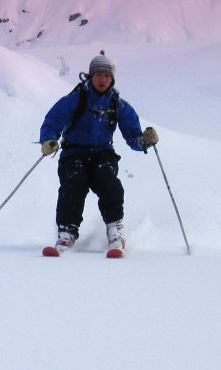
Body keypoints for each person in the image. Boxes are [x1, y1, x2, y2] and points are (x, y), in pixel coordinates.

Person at [39, 51, 158, 255]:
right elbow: (53, 121)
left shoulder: (118, 104)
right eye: (98, 75)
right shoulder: (74, 100)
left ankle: (115, 231)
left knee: (108, 182)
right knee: (73, 183)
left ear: (112, 79)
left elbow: (133, 135)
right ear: (91, 76)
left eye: (107, 75)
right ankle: (67, 232)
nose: (102, 79)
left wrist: (144, 141)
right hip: (73, 152)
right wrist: (49, 140)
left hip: (103, 153)